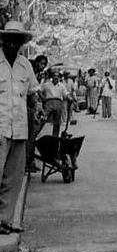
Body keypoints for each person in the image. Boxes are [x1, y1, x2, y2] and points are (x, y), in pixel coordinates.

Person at [0, 21, 41, 234]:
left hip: (20, 127)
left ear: (21, 44)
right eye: (9, 40)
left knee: (14, 177)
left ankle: (5, 220)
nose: (12, 44)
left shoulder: (25, 65)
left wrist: (38, 110)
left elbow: (33, 93)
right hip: (0, 127)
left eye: (17, 41)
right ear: (3, 40)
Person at [41, 70, 68, 137]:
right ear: (52, 77)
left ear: (59, 78)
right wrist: (43, 98)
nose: (56, 77)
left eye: (57, 76)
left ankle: (55, 137)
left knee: (57, 122)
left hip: (58, 102)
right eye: (54, 76)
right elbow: (39, 90)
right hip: (49, 102)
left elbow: (65, 94)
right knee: (43, 119)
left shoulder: (62, 85)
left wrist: (69, 98)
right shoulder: (47, 85)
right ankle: (36, 133)